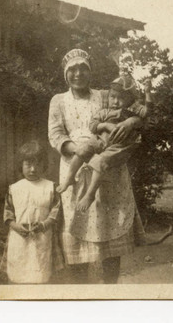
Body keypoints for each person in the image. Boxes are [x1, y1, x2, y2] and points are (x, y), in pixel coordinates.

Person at [48, 49, 144, 283]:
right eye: (72, 70)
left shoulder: (103, 95)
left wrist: (132, 121)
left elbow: (133, 107)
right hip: (76, 165)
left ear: (90, 72)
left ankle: (109, 292)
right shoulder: (59, 100)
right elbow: (55, 133)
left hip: (108, 166)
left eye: (83, 69)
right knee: (78, 230)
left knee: (108, 229)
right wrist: (76, 149)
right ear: (65, 73)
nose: (78, 74)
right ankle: (83, 296)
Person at [57, 76, 153, 214]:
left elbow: (147, 114)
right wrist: (106, 125)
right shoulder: (104, 112)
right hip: (100, 140)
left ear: (130, 100)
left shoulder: (131, 112)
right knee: (82, 149)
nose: (115, 101)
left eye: (121, 98)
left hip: (119, 146)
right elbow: (93, 125)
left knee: (100, 161)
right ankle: (69, 178)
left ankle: (90, 194)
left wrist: (148, 92)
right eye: (112, 97)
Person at [3, 140, 62, 284]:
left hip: (43, 235)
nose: (33, 169)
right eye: (28, 165)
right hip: (19, 237)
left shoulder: (50, 187)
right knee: (18, 273)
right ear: (21, 165)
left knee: (41, 272)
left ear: (44, 165)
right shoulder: (14, 188)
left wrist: (43, 225)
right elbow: (8, 212)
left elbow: (55, 211)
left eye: (37, 164)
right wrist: (15, 226)